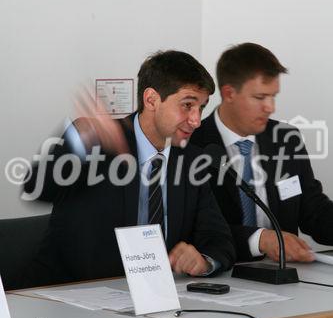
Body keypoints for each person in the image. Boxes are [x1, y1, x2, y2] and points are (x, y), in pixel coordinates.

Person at [23, 50, 235, 287]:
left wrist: (204, 261)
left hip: (155, 300)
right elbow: (35, 189)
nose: (196, 120)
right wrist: (77, 142)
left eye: (201, 108)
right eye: (187, 105)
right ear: (152, 99)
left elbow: (219, 239)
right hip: (69, 297)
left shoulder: (191, 159)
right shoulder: (96, 142)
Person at [191, 42, 333, 263]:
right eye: (260, 97)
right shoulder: (192, 144)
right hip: (220, 278)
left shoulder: (286, 139)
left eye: (273, 96)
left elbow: (313, 211)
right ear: (229, 93)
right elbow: (193, 229)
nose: (270, 107)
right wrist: (261, 240)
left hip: (288, 281)